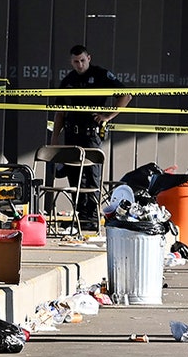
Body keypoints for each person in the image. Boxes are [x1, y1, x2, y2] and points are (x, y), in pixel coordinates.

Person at [50, 45, 132, 229]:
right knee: (74, 176)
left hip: (90, 134)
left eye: (82, 60)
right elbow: (60, 113)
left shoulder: (101, 75)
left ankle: (92, 219)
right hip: (71, 134)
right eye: (76, 61)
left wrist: (108, 116)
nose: (79, 65)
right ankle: (80, 218)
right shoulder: (68, 80)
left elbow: (126, 95)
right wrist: (55, 139)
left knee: (91, 176)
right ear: (71, 62)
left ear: (89, 58)